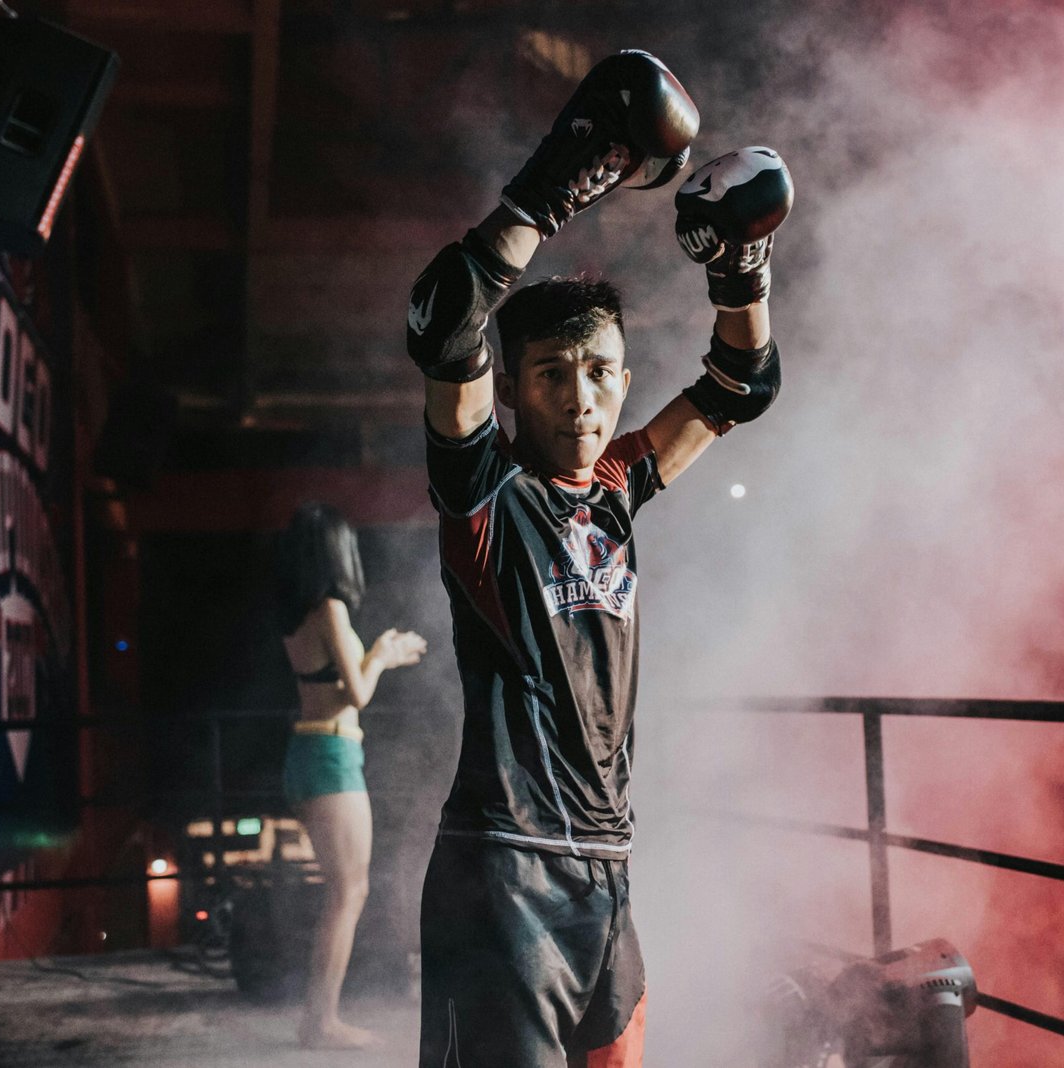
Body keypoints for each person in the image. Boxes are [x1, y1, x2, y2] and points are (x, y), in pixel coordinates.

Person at [404, 49, 793, 1066]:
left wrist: (738, 262)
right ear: (519, 389)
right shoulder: (486, 493)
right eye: (553, 374)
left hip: (605, 874)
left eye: (601, 373)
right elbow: (448, 323)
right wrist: (556, 183)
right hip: (501, 874)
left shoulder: (617, 487)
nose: (582, 396)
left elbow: (738, 384)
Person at [275, 502, 427, 1049]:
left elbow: (333, 689)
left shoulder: (299, 614)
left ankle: (318, 1016)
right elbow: (358, 695)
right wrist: (384, 652)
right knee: (348, 891)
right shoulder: (331, 610)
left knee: (344, 891)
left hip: (313, 752)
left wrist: (383, 655)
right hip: (331, 756)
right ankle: (320, 1021)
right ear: (337, 552)